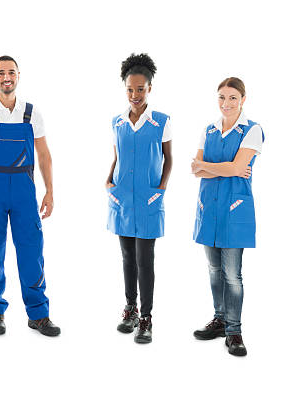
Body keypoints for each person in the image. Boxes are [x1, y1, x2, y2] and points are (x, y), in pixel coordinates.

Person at [0, 55, 60, 337]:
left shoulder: (32, 113)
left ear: (19, 75)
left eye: (11, 72)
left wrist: (50, 191)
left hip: (24, 190)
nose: (7, 77)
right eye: (1, 73)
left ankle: (39, 315)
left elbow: (43, 154)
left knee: (32, 251)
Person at [191, 77, 263, 357]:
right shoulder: (208, 129)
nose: (226, 103)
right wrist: (225, 168)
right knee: (213, 270)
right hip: (208, 208)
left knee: (232, 275)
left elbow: (237, 167)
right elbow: (196, 170)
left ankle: (234, 331)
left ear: (243, 99)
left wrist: (207, 166)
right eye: (221, 97)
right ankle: (220, 319)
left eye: (232, 97)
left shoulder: (252, 130)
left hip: (234, 209)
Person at [105, 53, 173, 344]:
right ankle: (130, 309)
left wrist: (160, 191)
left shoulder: (161, 122)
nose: (135, 95)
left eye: (140, 89)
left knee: (146, 260)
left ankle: (146, 318)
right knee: (127, 258)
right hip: (120, 199)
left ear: (150, 88)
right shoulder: (117, 122)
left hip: (147, 199)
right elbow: (118, 155)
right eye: (130, 89)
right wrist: (108, 180)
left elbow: (168, 159)